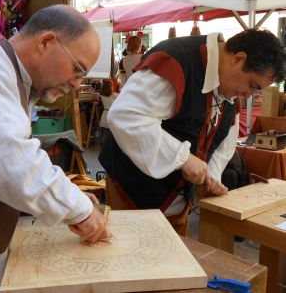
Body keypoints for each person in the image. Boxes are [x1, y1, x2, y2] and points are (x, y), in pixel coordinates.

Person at [0, 5, 110, 293]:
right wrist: (79, 209)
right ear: (45, 42)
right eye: (77, 69)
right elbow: (5, 160)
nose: (76, 83)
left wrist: (71, 196)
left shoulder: (11, 75)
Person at [99, 29, 286, 236]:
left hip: (178, 198)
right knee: (132, 254)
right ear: (238, 58)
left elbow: (224, 139)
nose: (247, 95)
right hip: (133, 187)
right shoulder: (178, 59)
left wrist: (210, 179)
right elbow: (126, 116)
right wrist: (182, 158)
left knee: (176, 262)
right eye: (251, 86)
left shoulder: (232, 87)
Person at [99, 80, 119, 144]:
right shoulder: (114, 95)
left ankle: (104, 142)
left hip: (105, 113)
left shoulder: (101, 95)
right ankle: (110, 143)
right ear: (111, 87)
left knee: (106, 130)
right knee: (112, 130)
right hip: (111, 114)